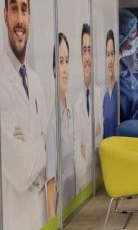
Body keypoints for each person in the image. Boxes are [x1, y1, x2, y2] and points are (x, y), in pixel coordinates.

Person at [0, 0, 49, 230]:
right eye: (13, 8)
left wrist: (32, 144)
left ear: (30, 17)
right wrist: (41, 144)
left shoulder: (36, 81)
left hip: (40, 223)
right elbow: (19, 171)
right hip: (14, 229)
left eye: (24, 9)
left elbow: (47, 144)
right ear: (4, 15)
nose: (20, 19)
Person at [46, 33, 75, 213]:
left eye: (66, 61)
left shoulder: (71, 111)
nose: (64, 69)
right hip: (63, 213)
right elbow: (51, 184)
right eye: (60, 62)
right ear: (54, 69)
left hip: (75, 208)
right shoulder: (53, 124)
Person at [72, 23, 102, 193]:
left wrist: (85, 147)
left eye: (90, 50)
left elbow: (100, 137)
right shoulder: (76, 101)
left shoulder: (99, 94)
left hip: (97, 177)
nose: (87, 57)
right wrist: (84, 147)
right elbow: (77, 149)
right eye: (84, 50)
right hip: (82, 184)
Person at [102, 30, 118, 138]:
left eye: (112, 54)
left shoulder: (119, 91)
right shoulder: (105, 96)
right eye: (108, 55)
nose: (110, 60)